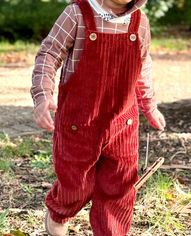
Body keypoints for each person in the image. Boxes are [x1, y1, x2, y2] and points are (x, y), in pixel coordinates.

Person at [31, 0, 166, 235]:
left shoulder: (139, 22)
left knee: (119, 187)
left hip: (122, 122)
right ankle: (60, 211)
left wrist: (149, 105)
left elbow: (143, 65)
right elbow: (49, 55)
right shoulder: (77, 13)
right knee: (76, 185)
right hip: (79, 122)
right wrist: (43, 96)